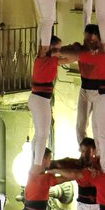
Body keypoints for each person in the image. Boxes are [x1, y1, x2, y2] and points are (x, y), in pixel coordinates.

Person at [28, 36, 60, 166]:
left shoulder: (46, 60)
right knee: (42, 135)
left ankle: (34, 162)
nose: (59, 50)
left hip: (37, 98)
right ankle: (37, 165)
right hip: (41, 100)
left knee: (38, 134)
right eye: (57, 48)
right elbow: (69, 58)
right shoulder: (44, 60)